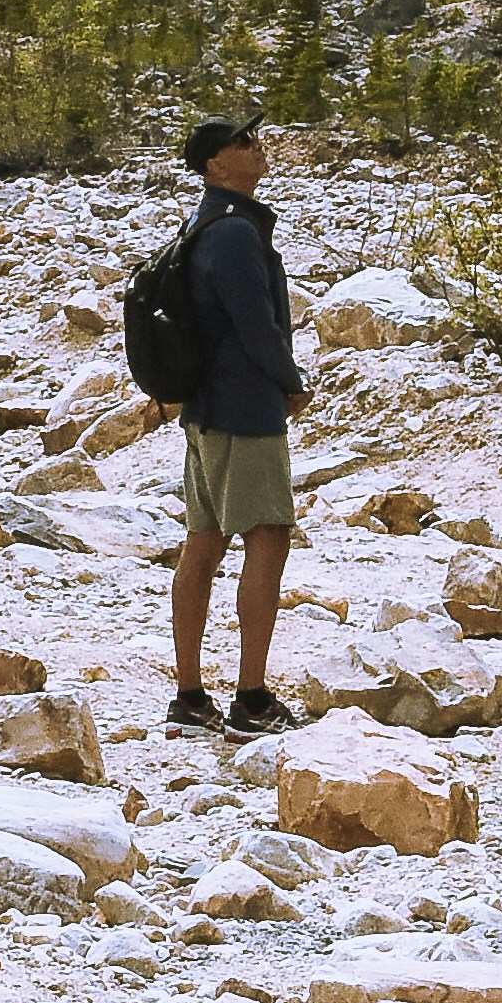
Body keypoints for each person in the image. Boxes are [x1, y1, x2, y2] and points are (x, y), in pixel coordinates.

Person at [167, 110, 299, 733]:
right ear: (217, 164)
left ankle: (190, 696)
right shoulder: (237, 234)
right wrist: (290, 386)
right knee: (267, 538)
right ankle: (250, 699)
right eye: (243, 142)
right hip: (245, 408)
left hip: (204, 408)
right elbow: (258, 328)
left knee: (205, 541)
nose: (257, 146)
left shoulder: (205, 224)